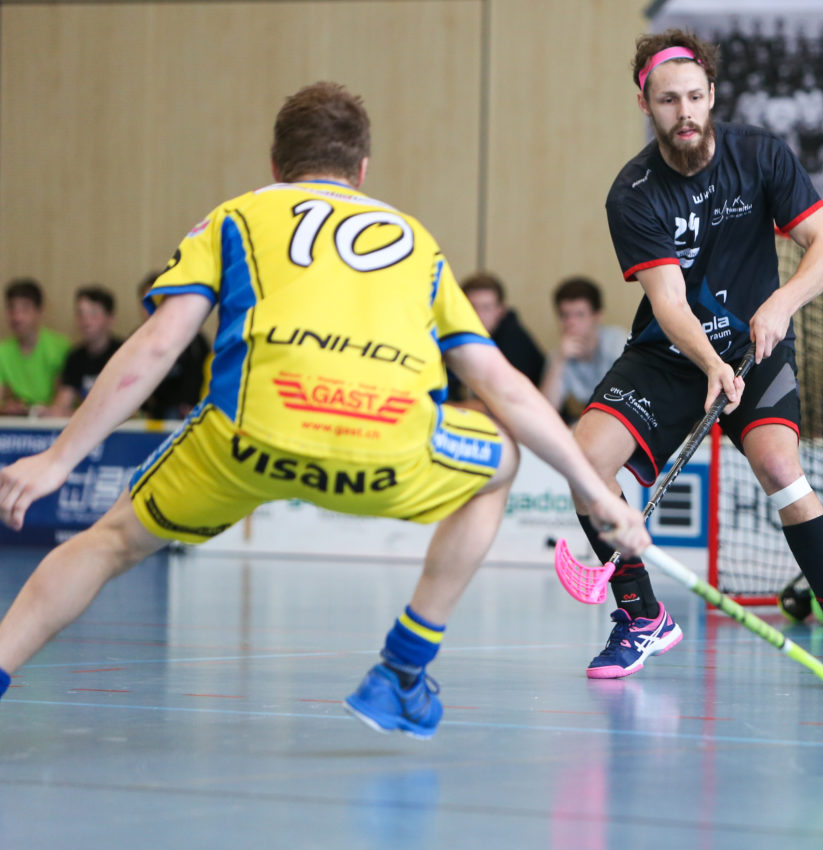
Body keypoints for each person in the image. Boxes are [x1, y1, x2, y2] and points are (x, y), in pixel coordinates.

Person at [0, 81, 649, 739]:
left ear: (275, 166)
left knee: (107, 542)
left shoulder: (236, 216)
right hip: (388, 446)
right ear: (363, 171)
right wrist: (595, 490)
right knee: (501, 459)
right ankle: (403, 668)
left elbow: (160, 344)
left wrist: (58, 456)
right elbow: (500, 382)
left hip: (247, 439)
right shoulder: (414, 240)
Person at [568, 29, 823, 689]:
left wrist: (779, 305)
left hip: (758, 341)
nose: (684, 111)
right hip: (671, 354)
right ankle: (641, 616)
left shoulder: (760, 154)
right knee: (583, 460)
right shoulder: (633, 192)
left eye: (695, 96)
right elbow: (667, 303)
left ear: (713, 94)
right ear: (646, 104)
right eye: (668, 101)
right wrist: (710, 366)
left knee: (782, 466)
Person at [540, 276, 628, 423]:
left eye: (579, 315)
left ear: (597, 316)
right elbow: (546, 411)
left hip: (621, 420)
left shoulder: (619, 342)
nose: (571, 322)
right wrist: (559, 362)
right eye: (564, 315)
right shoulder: (559, 354)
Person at [446, 272, 545, 403]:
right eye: (472, 307)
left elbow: (507, 402)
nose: (478, 315)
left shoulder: (515, 341)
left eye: (486, 308)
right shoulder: (454, 335)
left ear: (501, 310)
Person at [135, 271, 211, 420]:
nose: (154, 310)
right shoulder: (136, 338)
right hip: (151, 409)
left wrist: (191, 402)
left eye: (159, 303)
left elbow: (202, 375)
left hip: (185, 411)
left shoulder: (194, 338)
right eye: (148, 303)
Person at [44, 285, 125, 417]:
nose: (86, 321)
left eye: (93, 313)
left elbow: (129, 407)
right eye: (80, 314)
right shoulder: (74, 357)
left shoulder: (124, 352)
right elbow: (63, 402)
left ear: (111, 318)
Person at [0, 278, 70, 415]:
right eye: (11, 308)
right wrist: (6, 408)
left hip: (50, 425)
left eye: (24, 309)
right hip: (15, 425)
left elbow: (63, 401)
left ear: (39, 311)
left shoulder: (60, 347)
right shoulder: (3, 351)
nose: (17, 316)